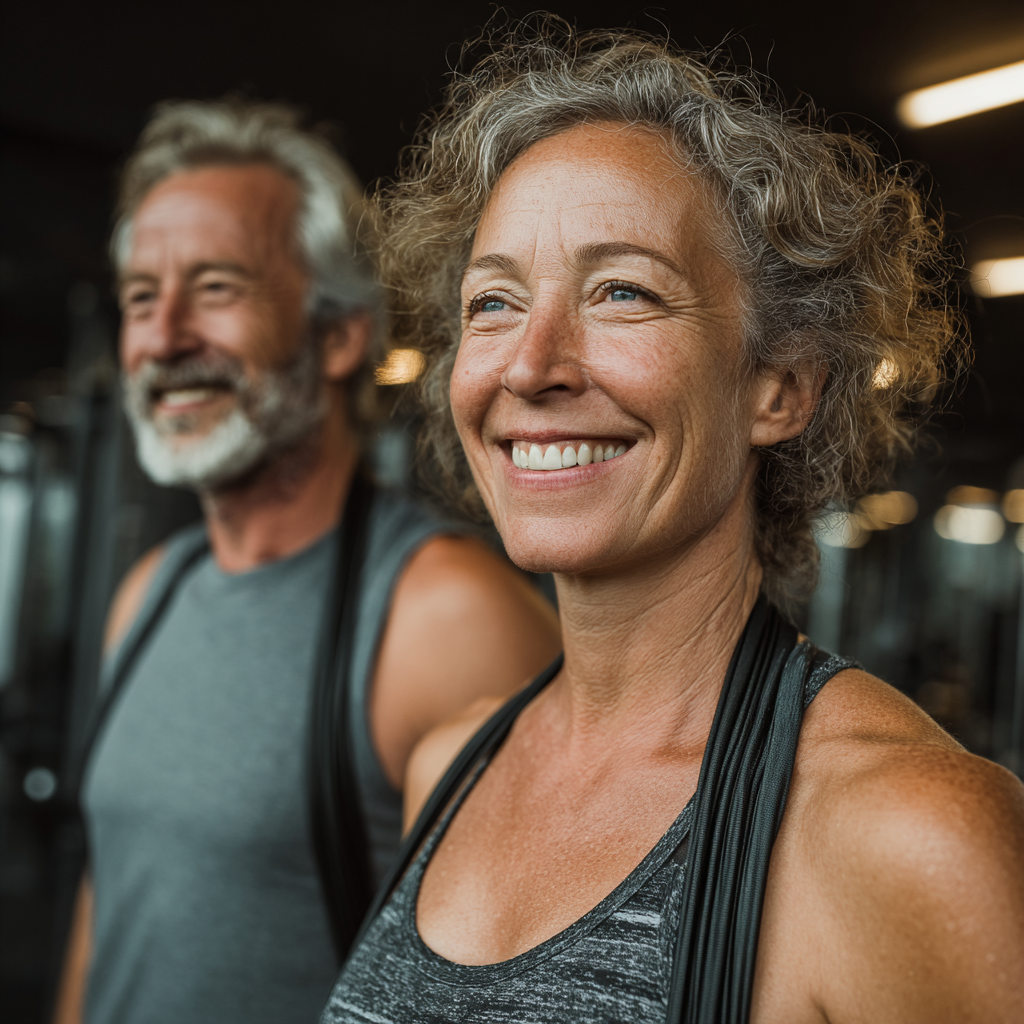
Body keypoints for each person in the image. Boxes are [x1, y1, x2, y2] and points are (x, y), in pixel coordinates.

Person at [323, 22, 1024, 1024]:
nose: (531, 364)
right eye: (493, 302)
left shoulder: (905, 832)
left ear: (778, 386)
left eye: (623, 291)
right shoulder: (449, 764)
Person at [53, 101, 562, 1024]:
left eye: (215, 288)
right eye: (139, 296)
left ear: (339, 335)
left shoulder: (443, 615)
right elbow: (109, 900)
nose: (163, 337)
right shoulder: (151, 594)